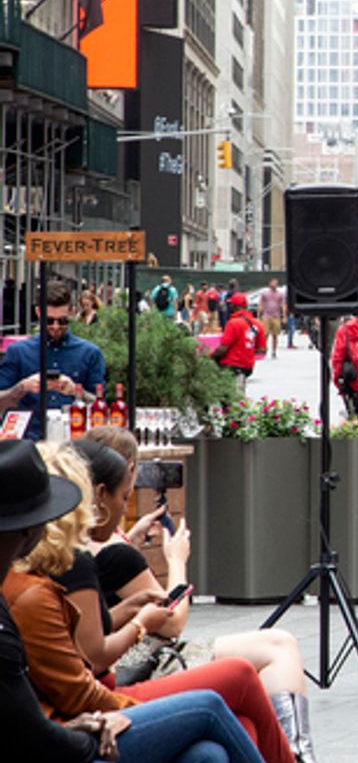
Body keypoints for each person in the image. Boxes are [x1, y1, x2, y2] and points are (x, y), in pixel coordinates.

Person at [4, 441, 296, 763]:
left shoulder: (38, 580)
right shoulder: (39, 588)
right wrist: (166, 581)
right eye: (124, 497)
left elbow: (73, 652)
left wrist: (131, 612)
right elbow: (93, 663)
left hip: (82, 714)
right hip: (85, 723)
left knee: (209, 753)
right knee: (220, 696)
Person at [71, 426, 321, 761]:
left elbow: (88, 631)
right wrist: (175, 562)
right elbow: (161, 628)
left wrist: (131, 603)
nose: (126, 502)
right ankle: (296, 755)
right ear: (107, 488)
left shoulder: (78, 557)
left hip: (112, 680)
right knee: (250, 668)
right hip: (133, 671)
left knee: (220, 745)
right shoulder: (76, 563)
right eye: (125, 496)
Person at [0, 280, 105, 441]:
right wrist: (22, 388)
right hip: (27, 444)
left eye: (62, 321)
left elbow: (101, 406)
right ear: (38, 313)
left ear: (72, 312)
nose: (55, 327)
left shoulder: (90, 353)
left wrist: (76, 392)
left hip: (74, 442)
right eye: (49, 321)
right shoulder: (18, 352)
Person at [211, 292, 267, 392]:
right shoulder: (257, 324)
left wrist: (211, 356)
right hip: (247, 367)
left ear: (234, 306)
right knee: (239, 397)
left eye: (230, 304)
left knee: (229, 399)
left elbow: (223, 348)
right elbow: (262, 350)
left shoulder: (233, 323)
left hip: (231, 366)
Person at [257, 278, 287, 359]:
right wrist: (258, 316)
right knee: (265, 335)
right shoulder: (264, 293)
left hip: (276, 316)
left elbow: (283, 305)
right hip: (266, 316)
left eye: (276, 283)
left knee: (275, 335)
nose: (274, 284)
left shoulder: (280, 294)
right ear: (269, 283)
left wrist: (284, 317)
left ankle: (274, 351)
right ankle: (264, 350)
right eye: (273, 283)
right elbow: (261, 304)